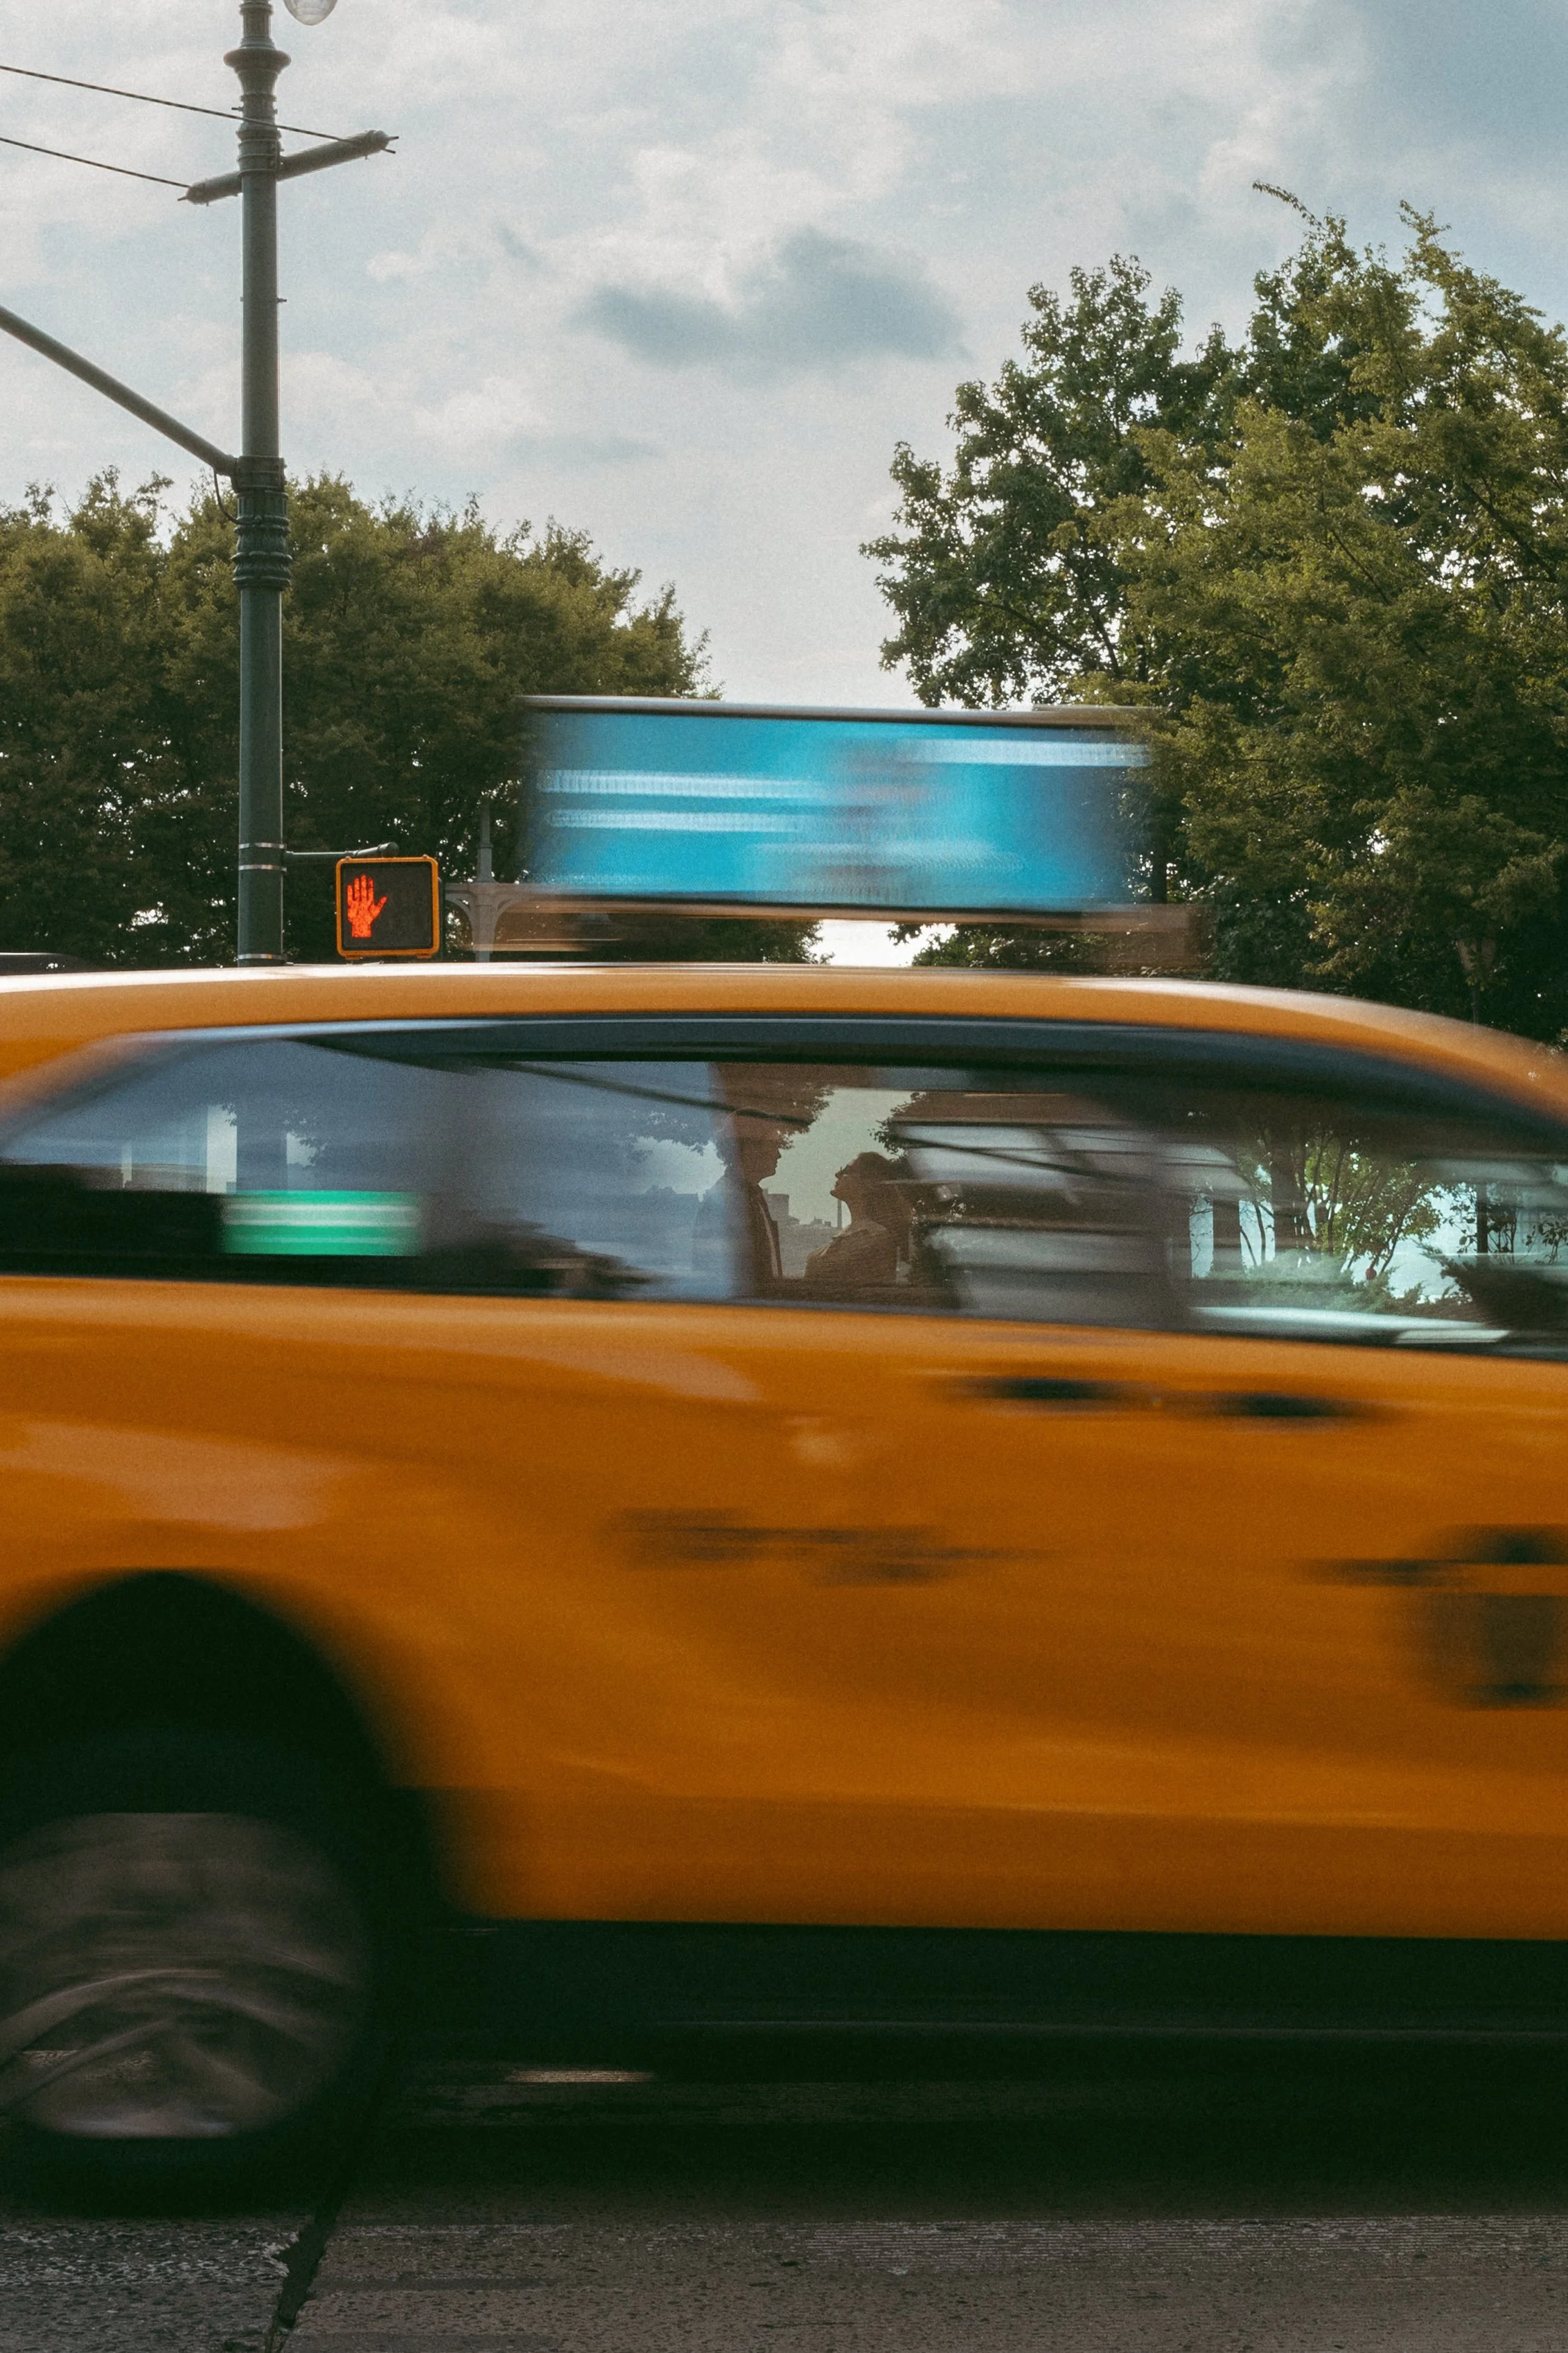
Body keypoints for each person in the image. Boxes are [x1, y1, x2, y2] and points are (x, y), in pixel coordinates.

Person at [804, 1152, 908, 1294]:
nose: (837, 1174)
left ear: (868, 1184)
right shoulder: (854, 1235)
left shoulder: (877, 1239)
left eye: (847, 1171)